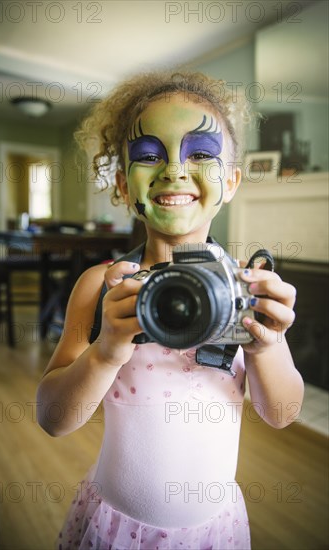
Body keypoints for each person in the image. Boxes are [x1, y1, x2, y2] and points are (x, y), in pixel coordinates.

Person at [37, 71, 304, 550]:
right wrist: (105, 351)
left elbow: (282, 414)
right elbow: (54, 419)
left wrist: (270, 345)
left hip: (212, 531)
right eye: (148, 156)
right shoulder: (103, 287)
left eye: (200, 153)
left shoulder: (245, 289)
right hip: (114, 525)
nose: (175, 169)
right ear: (123, 184)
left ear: (231, 180)